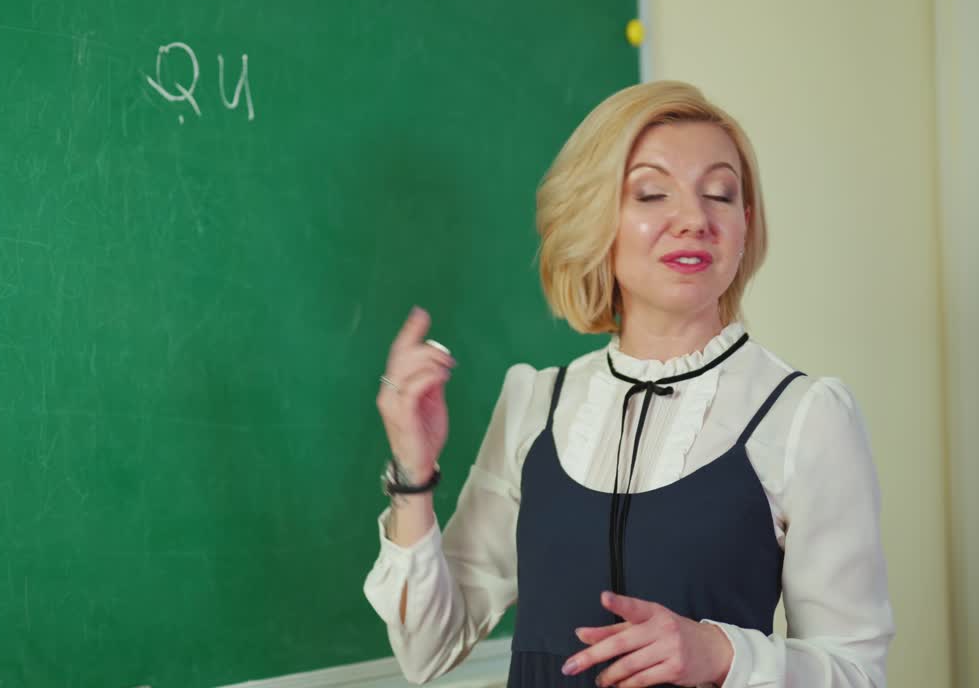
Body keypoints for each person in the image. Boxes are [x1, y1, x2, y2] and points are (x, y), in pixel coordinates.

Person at [363, 81, 894, 687]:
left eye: (720, 194)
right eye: (651, 193)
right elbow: (427, 649)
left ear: (746, 223)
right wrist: (413, 472)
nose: (694, 219)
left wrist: (722, 654)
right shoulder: (536, 402)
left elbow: (857, 672)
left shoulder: (805, 416)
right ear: (598, 219)